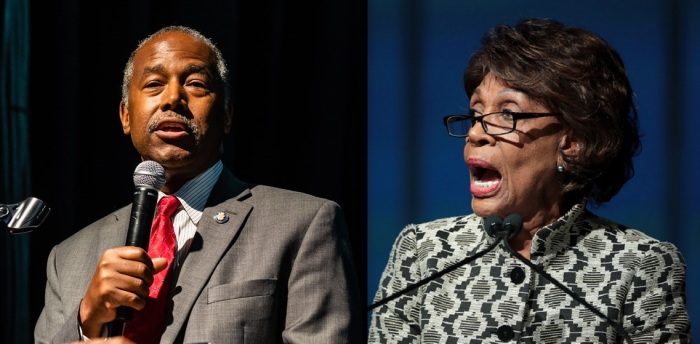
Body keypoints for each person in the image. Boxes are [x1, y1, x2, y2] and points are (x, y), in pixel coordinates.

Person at [368, 18, 691, 343]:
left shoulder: (641, 266)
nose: (476, 132)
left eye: (507, 113)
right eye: (476, 113)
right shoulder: (425, 253)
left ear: (573, 140)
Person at [34, 25, 362, 343]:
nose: (173, 98)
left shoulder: (303, 223)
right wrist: (86, 316)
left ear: (228, 114)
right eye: (153, 84)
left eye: (195, 83)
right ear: (126, 116)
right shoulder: (68, 257)